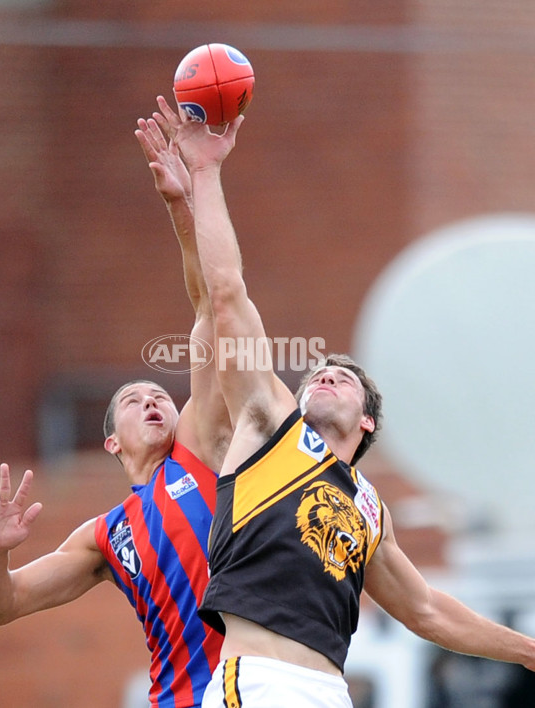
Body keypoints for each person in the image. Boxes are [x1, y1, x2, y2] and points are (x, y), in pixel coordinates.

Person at [153, 95, 535, 707]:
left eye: (343, 377)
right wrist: (205, 173)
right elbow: (223, 298)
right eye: (318, 375)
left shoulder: (370, 509)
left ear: (367, 421)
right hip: (258, 682)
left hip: (330, 692)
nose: (324, 376)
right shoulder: (270, 429)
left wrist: (528, 651)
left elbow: (429, 611)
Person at [0, 116, 233, 708]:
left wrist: (182, 210)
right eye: (133, 401)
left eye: (160, 394)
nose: (154, 400)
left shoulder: (200, 450)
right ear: (112, 441)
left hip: (251, 693)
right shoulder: (105, 537)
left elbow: (211, 309)